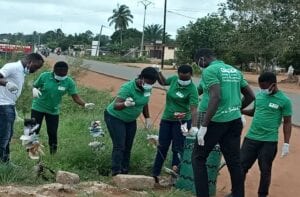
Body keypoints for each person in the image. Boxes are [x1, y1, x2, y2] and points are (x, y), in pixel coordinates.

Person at [192, 48, 255, 197]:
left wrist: (204, 126)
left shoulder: (209, 71)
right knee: (234, 161)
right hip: (234, 122)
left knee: (198, 158)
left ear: (203, 59)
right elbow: (251, 96)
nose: (199, 66)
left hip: (215, 122)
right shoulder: (234, 70)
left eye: (198, 63)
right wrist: (236, 108)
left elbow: (216, 97)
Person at [241, 72, 292, 197]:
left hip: (268, 141)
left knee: (265, 171)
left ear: (273, 84)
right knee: (241, 167)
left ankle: (262, 194)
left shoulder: (284, 101)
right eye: (260, 87)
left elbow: (287, 122)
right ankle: (236, 192)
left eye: (264, 87)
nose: (262, 90)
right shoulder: (259, 96)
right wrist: (240, 111)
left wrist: (286, 143)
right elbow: (254, 112)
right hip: (251, 138)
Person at [31, 61, 95, 154]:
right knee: (32, 131)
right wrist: (34, 89)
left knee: (52, 133)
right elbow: (34, 85)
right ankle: (31, 153)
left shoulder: (69, 82)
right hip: (37, 107)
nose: (61, 77)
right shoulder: (44, 76)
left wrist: (85, 104)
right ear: (54, 71)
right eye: (59, 75)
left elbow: (75, 97)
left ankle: (53, 155)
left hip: (53, 110)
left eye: (64, 75)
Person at [104, 67, 158, 176]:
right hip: (115, 117)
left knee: (128, 146)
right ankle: (116, 171)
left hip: (130, 120)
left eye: (152, 83)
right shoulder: (127, 87)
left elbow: (144, 102)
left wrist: (147, 118)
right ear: (142, 78)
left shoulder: (147, 88)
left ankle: (124, 170)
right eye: (148, 82)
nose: (149, 85)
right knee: (120, 145)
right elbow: (116, 106)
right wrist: (125, 104)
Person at [152, 65, 199, 184]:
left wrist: (194, 126)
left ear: (191, 75)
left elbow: (194, 109)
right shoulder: (173, 80)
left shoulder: (192, 89)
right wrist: (159, 72)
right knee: (162, 146)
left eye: (186, 78)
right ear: (178, 74)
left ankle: (175, 175)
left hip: (182, 122)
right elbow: (162, 82)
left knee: (177, 148)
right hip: (167, 119)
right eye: (181, 77)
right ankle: (155, 173)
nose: (183, 80)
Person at [0, 53, 44, 163]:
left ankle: (6, 162)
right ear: (30, 63)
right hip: (3, 106)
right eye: (35, 67)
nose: (35, 70)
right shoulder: (13, 67)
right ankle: (2, 164)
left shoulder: (21, 72)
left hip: (9, 105)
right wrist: (6, 83)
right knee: (3, 137)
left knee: (8, 136)